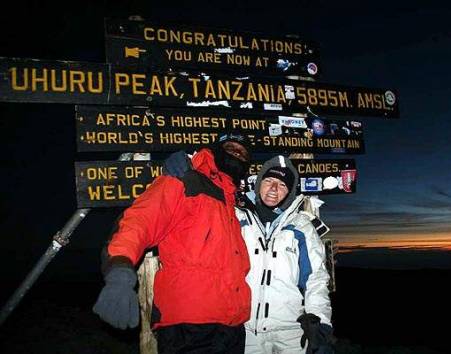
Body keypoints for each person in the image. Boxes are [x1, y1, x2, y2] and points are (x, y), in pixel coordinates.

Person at [93, 133, 253, 354]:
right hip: (189, 326)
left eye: (242, 153)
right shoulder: (184, 180)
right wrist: (119, 273)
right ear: (215, 151)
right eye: (231, 147)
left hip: (232, 326)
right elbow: (139, 222)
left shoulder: (231, 202)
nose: (237, 153)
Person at [165, 153, 335, 354]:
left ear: (289, 192)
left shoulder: (301, 226)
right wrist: (187, 164)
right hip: (244, 332)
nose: (273, 188)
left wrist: (320, 323)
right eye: (269, 180)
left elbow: (315, 279)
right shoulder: (236, 218)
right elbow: (204, 196)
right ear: (259, 184)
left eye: (282, 185)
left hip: (292, 333)